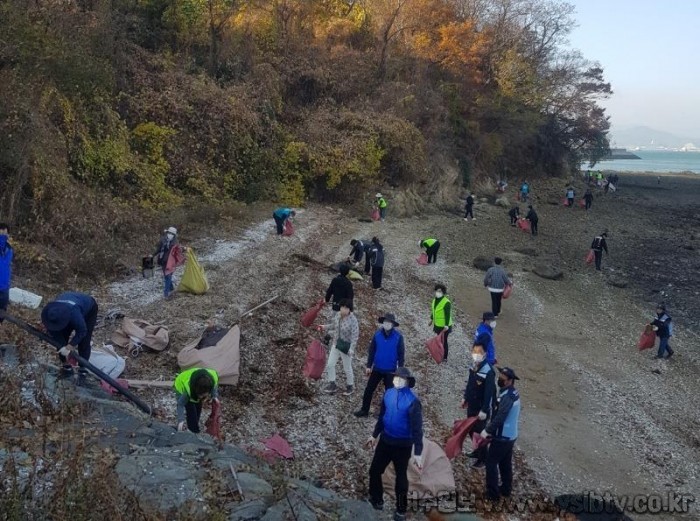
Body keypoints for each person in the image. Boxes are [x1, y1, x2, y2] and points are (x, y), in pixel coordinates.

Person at [366, 367, 423, 521]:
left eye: (401, 378)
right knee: (374, 471)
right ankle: (376, 500)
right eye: (396, 377)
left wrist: (418, 453)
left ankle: (401, 510)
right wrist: (374, 435)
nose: (398, 380)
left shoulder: (413, 401)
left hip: (403, 445)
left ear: (407, 381)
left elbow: (418, 429)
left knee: (401, 477)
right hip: (385, 441)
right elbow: (382, 417)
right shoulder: (388, 393)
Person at [481, 367, 521, 501]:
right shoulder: (512, 393)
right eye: (500, 377)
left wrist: (488, 430)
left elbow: (500, 417)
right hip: (511, 435)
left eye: (503, 379)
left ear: (510, 381)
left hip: (503, 437)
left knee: (491, 462)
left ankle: (492, 494)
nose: (500, 380)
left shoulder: (507, 397)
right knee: (505, 463)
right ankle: (506, 489)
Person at [41, 292, 99, 384]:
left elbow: (82, 331)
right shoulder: (49, 314)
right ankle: (66, 366)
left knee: (84, 342)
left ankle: (83, 370)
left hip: (88, 310)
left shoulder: (73, 314)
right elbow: (55, 334)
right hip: (66, 309)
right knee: (61, 340)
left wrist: (70, 346)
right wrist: (62, 346)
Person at [354, 313, 405, 418]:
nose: (387, 324)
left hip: (391, 370)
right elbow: (372, 350)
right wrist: (369, 365)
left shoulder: (398, 337)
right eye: (385, 322)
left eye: (389, 322)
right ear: (383, 323)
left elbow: (401, 354)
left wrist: (400, 370)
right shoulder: (377, 334)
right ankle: (364, 410)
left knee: (389, 394)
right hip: (377, 368)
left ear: (393, 324)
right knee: (369, 389)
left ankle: (384, 413)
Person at [461, 343, 496, 467]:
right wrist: (465, 398)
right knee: (471, 430)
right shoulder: (474, 366)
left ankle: (483, 458)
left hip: (481, 408)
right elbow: (470, 384)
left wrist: (484, 410)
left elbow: (489, 393)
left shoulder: (489, 371)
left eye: (479, 352)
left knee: (479, 433)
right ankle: (477, 451)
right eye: (474, 351)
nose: (476, 354)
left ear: (485, 354)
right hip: (472, 404)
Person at [320, 299, 359, 395]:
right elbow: (334, 325)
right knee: (330, 364)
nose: (343, 309)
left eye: (346, 308)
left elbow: (355, 336)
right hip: (336, 343)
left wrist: (351, 349)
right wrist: (324, 327)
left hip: (346, 346)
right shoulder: (337, 315)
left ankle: (350, 386)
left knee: (347, 367)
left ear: (350, 309)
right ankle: (332, 384)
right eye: (342, 307)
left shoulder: (353, 320)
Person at [174, 367, 219, 433]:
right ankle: (193, 431)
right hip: (180, 385)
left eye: (203, 395)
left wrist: (214, 396)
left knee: (198, 407)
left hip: (196, 383)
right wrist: (181, 420)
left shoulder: (212, 378)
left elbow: (214, 387)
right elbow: (180, 404)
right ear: (196, 390)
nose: (201, 397)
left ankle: (194, 425)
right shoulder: (187, 392)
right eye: (200, 395)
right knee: (191, 411)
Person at [154, 226, 185, 298]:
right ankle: (171, 288)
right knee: (166, 276)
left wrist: (185, 249)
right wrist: (152, 255)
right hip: (163, 261)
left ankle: (166, 293)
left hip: (171, 262)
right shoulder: (163, 240)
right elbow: (158, 249)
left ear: (174, 235)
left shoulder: (175, 243)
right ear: (167, 232)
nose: (170, 234)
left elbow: (179, 250)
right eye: (169, 233)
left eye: (172, 233)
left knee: (168, 276)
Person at [430, 284, 453, 361]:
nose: (438, 292)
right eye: (437, 291)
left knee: (444, 341)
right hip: (437, 325)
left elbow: (447, 315)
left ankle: (445, 357)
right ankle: (439, 353)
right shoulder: (434, 300)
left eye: (440, 291)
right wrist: (431, 319)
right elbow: (434, 311)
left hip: (445, 326)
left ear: (443, 292)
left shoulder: (446, 302)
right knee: (439, 340)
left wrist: (446, 325)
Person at [0, 223, 13, 324]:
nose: (5, 235)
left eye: (6, 233)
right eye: (2, 233)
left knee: (2, 314)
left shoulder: (10, 249)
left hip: (4, 287)